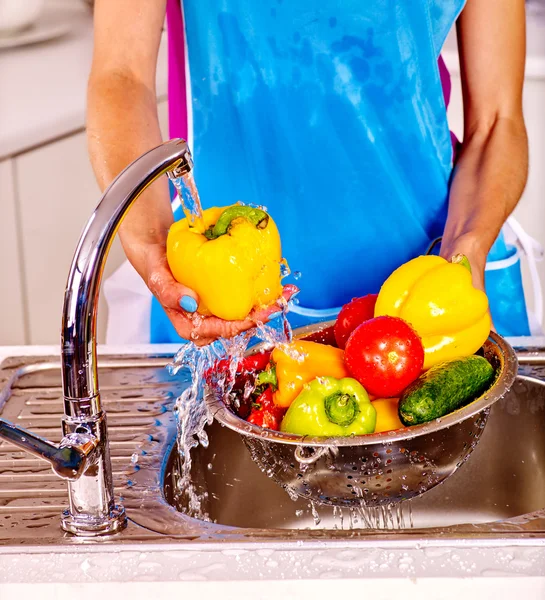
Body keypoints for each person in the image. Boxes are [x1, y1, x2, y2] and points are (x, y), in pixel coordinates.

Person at [87, 0, 529, 346]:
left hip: (433, 269)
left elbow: (496, 121)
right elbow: (121, 76)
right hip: (221, 294)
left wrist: (466, 248)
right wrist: (150, 245)